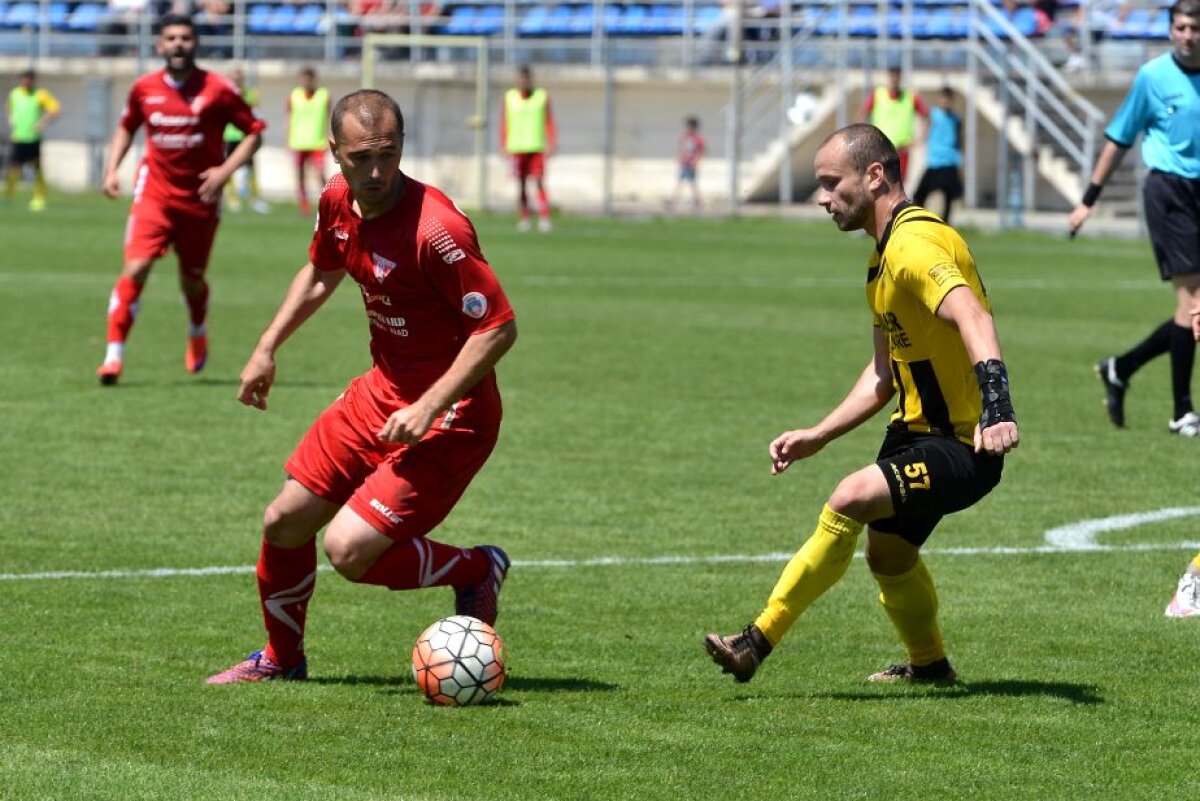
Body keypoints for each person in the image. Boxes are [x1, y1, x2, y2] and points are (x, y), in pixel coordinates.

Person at [206, 89, 517, 684]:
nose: (376, 172)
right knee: (285, 521)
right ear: (335, 153)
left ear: (402, 147)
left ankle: (476, 569)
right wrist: (267, 347)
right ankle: (282, 660)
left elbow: (498, 328)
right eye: (360, 158)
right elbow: (324, 270)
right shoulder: (336, 201)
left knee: (348, 551)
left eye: (388, 154)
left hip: (454, 415)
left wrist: (430, 406)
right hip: (382, 393)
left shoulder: (438, 231)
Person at [704, 124, 1019, 685]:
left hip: (963, 443)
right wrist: (818, 434)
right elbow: (882, 374)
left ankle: (756, 641)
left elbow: (973, 316)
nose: (822, 198)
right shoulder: (881, 258)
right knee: (888, 558)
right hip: (914, 433)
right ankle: (930, 666)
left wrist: (998, 408)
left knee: (849, 497)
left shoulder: (913, 245)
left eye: (830, 182)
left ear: (875, 175)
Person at [95, 14, 265, 386]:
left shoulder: (217, 89)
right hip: (153, 195)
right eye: (171, 38)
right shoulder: (144, 88)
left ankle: (197, 327)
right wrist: (111, 170)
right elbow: (127, 127)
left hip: (199, 201)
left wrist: (223, 172)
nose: (178, 44)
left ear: (195, 44)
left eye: (185, 38)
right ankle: (113, 355)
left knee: (192, 280)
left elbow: (254, 132)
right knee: (135, 268)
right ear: (160, 45)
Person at [1068, 0, 1200, 436]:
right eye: (1180, 27)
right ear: (1170, 30)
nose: (1187, 35)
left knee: (1195, 310)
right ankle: (1182, 411)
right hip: (1169, 192)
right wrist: (1089, 199)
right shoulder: (1152, 78)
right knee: (1192, 301)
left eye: (1194, 28)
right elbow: (1118, 138)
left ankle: (1120, 367)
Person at [501, 65, 556, 232]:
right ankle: (524, 217)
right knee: (521, 184)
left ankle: (544, 217)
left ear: (530, 79)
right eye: (521, 78)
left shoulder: (541, 97)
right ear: (518, 80)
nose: (524, 81)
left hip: (536, 146)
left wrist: (552, 142)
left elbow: (549, 121)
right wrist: (503, 143)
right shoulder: (510, 97)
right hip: (517, 147)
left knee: (539, 181)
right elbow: (505, 121)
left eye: (527, 78)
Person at [857, 67, 928, 181]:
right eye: (893, 76)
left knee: (898, 183)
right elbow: (862, 114)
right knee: (878, 181)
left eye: (898, 76)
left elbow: (926, 116)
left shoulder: (910, 97)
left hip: (901, 150)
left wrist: (920, 139)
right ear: (889, 77)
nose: (895, 80)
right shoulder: (878, 94)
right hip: (880, 148)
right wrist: (866, 136)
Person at [5, 69, 61, 212]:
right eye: (25, 78)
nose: (27, 81)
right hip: (18, 137)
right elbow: (8, 108)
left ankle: (39, 199)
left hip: (33, 138)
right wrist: (11, 121)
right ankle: (8, 195)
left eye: (30, 79)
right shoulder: (15, 94)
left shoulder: (40, 95)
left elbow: (55, 109)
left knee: (37, 169)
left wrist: (42, 123)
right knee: (13, 167)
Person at [912, 87, 963, 225]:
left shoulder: (956, 119)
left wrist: (959, 158)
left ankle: (945, 225)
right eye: (944, 98)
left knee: (949, 198)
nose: (946, 101)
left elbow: (959, 140)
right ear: (940, 99)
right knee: (919, 195)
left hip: (950, 162)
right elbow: (924, 122)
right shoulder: (933, 115)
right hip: (935, 162)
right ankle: (918, 222)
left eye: (949, 99)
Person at [223, 66, 269, 214]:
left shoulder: (250, 93)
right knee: (228, 167)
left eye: (239, 76)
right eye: (234, 76)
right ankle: (232, 198)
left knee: (251, 168)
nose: (237, 79)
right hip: (230, 136)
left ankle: (254, 198)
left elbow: (256, 112)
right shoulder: (225, 92)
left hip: (246, 136)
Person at [287, 66, 329, 216]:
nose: (306, 82)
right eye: (303, 79)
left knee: (320, 173)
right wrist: (288, 141)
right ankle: (304, 204)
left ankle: (327, 202)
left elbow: (329, 117)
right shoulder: (294, 96)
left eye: (309, 79)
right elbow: (289, 118)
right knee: (300, 174)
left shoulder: (324, 95)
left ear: (313, 80)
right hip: (298, 142)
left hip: (317, 142)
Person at [667, 115, 706, 212]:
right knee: (681, 181)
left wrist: (696, 160)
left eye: (690, 127)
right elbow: (681, 148)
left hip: (691, 163)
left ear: (694, 127)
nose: (688, 129)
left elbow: (701, 150)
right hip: (684, 163)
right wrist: (678, 157)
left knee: (691, 182)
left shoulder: (698, 138)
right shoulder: (684, 137)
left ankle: (697, 200)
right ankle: (674, 199)